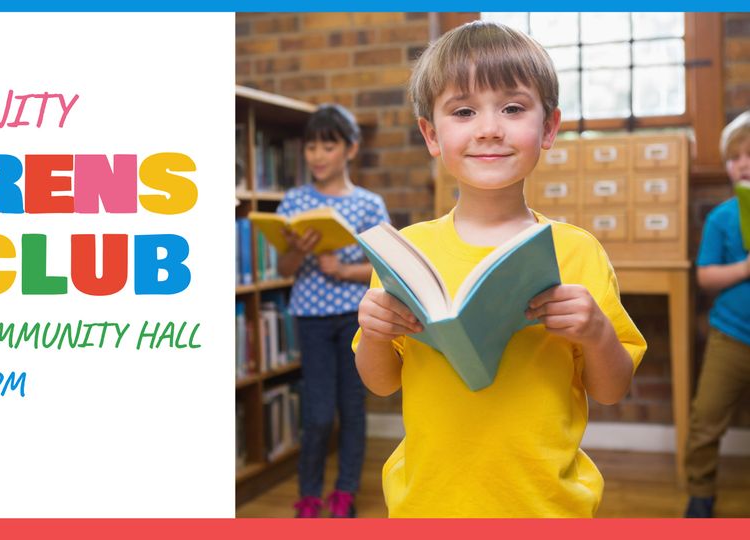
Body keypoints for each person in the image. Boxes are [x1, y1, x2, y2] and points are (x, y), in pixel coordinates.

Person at [352, 21, 647, 517]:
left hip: (546, 505)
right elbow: (381, 383)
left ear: (548, 128)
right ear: (432, 134)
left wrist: (597, 332)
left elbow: (611, 390)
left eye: (512, 108)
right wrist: (376, 332)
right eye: (463, 111)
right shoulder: (408, 252)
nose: (489, 128)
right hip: (427, 502)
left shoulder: (577, 251)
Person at [277, 103, 390, 518]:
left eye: (328, 145)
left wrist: (344, 270)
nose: (318, 155)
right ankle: (308, 496)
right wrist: (294, 250)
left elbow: (384, 269)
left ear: (350, 149)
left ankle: (344, 493)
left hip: (355, 320)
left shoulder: (368, 205)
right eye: (310, 147)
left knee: (352, 410)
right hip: (310, 319)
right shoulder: (293, 201)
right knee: (319, 414)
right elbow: (285, 269)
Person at [683, 110, 750, 518]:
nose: (742, 164)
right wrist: (745, 267)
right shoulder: (722, 217)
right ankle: (700, 492)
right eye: (734, 158)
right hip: (731, 336)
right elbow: (706, 277)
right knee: (706, 418)